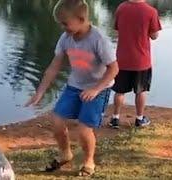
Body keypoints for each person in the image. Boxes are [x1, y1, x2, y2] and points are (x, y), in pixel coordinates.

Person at [25, 0, 118, 176]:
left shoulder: (99, 40)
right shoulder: (66, 39)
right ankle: (65, 153)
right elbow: (54, 66)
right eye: (60, 23)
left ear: (81, 19)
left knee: (84, 129)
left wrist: (96, 89)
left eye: (65, 23)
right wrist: (40, 92)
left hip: (98, 88)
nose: (62, 27)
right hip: (74, 86)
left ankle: (89, 160)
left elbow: (114, 68)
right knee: (57, 120)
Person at [109, 0, 162, 129]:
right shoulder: (151, 11)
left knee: (119, 90)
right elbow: (154, 36)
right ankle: (139, 119)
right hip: (141, 61)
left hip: (122, 59)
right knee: (141, 90)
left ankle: (115, 118)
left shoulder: (121, 8)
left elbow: (117, 29)